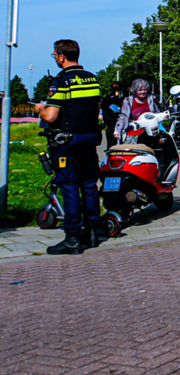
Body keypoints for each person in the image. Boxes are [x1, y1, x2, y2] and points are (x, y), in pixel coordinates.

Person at [34, 40, 104, 255]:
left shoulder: (61, 81)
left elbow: (51, 115)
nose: (55, 58)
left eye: (55, 55)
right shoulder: (92, 79)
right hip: (89, 140)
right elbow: (96, 110)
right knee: (89, 185)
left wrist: (40, 109)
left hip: (67, 142)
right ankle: (92, 232)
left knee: (70, 186)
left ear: (62, 56)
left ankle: (72, 237)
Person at [101, 81, 124, 149]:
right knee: (120, 146)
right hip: (118, 126)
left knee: (110, 146)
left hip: (109, 126)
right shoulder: (121, 100)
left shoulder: (105, 100)